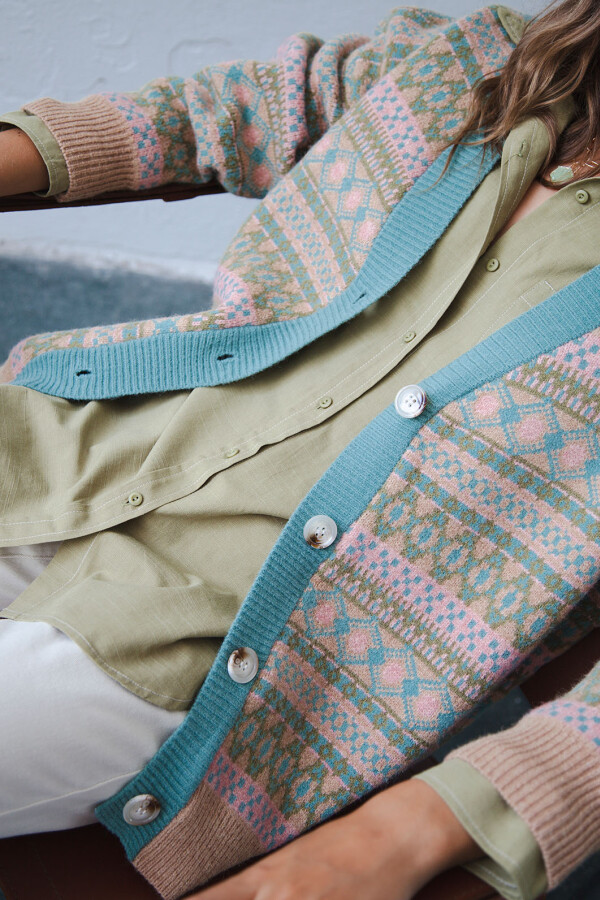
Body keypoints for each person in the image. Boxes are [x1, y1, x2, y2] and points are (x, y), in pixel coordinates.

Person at [0, 1, 599, 898]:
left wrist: (415, 828)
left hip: (218, 643)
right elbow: (250, 105)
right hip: (72, 448)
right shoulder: (484, 62)